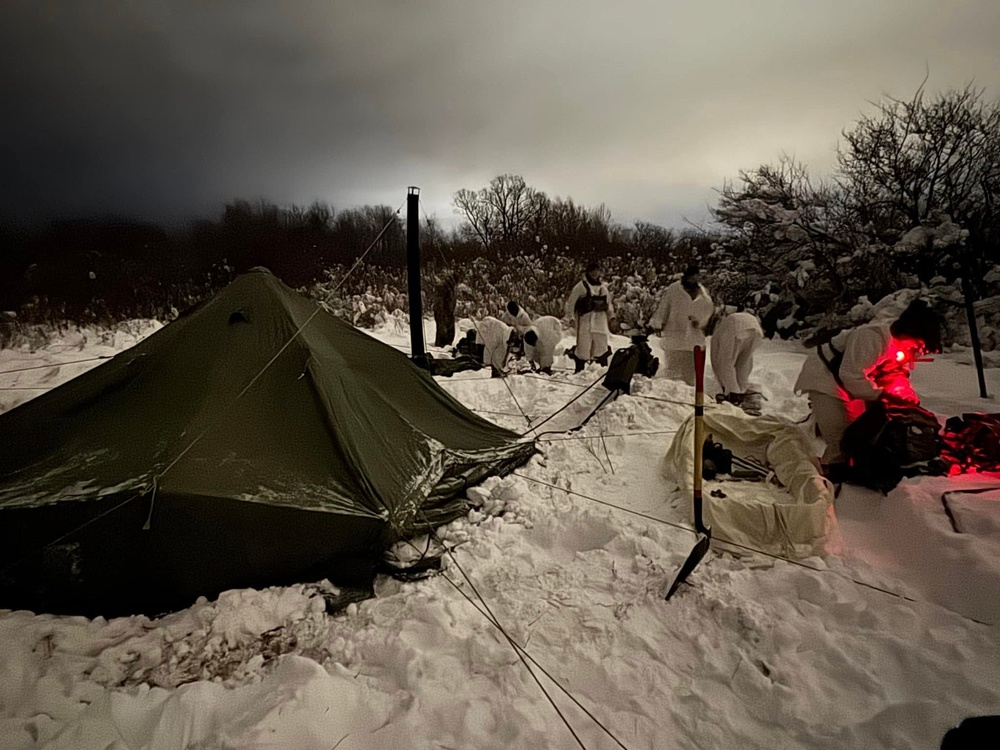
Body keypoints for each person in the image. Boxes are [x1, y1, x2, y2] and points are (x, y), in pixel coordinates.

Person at [794, 298, 943, 480]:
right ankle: (828, 481)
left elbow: (895, 374)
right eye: (919, 345)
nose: (918, 350)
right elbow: (850, 374)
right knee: (840, 441)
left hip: (850, 387)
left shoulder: (897, 348)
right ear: (909, 332)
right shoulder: (871, 337)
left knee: (861, 435)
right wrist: (881, 394)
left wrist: (906, 397)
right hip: (824, 380)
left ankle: (841, 473)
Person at [648, 265, 714, 385]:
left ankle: (689, 392)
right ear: (687, 276)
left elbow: (708, 310)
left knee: (691, 371)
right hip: (675, 334)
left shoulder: (702, 293)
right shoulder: (674, 289)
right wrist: (658, 323)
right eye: (691, 277)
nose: (693, 280)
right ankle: (671, 390)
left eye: (696, 277)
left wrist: (699, 321)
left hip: (693, 338)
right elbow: (664, 306)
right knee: (673, 369)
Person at [564, 260, 615, 373]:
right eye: (592, 271)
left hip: (600, 322)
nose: (595, 274)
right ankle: (579, 370)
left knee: (601, 347)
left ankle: (601, 371)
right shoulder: (581, 286)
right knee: (583, 347)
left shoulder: (603, 288)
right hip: (585, 321)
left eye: (597, 271)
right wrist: (570, 317)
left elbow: (608, 304)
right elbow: (571, 303)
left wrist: (611, 317)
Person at [710, 310, 764, 411]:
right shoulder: (725, 325)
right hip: (756, 329)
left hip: (737, 329)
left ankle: (734, 396)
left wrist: (724, 386)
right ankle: (742, 391)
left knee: (726, 363)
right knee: (743, 363)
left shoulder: (718, 334)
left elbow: (718, 363)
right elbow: (747, 363)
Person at [432, 272, 457, 348]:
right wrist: (443, 312)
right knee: (442, 329)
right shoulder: (443, 287)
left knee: (448, 330)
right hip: (442, 311)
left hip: (448, 311)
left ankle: (445, 345)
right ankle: (441, 346)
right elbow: (440, 302)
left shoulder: (450, 287)